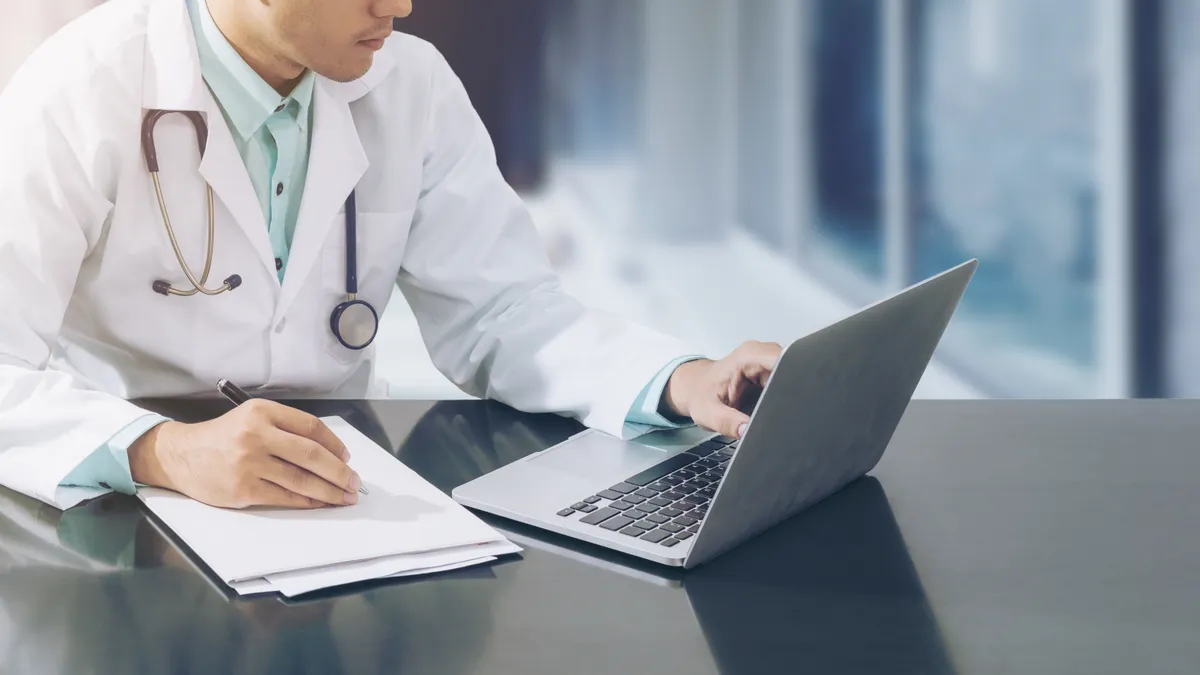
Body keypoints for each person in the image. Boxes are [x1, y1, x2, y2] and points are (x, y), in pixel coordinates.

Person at [0, 0, 781, 512]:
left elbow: (504, 311)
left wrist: (680, 380)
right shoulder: (81, 89)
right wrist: (160, 448)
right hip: (115, 506)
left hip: (336, 495)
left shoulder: (411, 85)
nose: (400, 5)